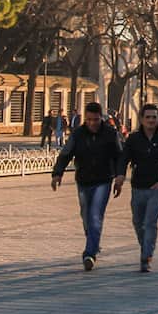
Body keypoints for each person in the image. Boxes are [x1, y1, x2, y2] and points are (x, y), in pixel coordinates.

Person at [51, 101, 123, 271]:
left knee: (96, 215)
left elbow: (120, 156)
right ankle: (93, 240)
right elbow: (65, 154)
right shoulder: (78, 134)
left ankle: (89, 253)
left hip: (104, 180)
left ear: (101, 118)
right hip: (83, 180)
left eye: (96, 120)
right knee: (86, 215)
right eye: (89, 120)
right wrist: (57, 173)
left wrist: (120, 176)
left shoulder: (110, 134)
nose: (92, 123)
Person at [116, 104, 158, 273]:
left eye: (154, 117)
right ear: (142, 119)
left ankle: (147, 255)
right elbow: (124, 159)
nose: (151, 120)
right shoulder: (134, 139)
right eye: (148, 117)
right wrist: (120, 175)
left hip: (155, 188)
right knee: (138, 222)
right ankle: (145, 245)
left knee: (150, 222)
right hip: (137, 187)